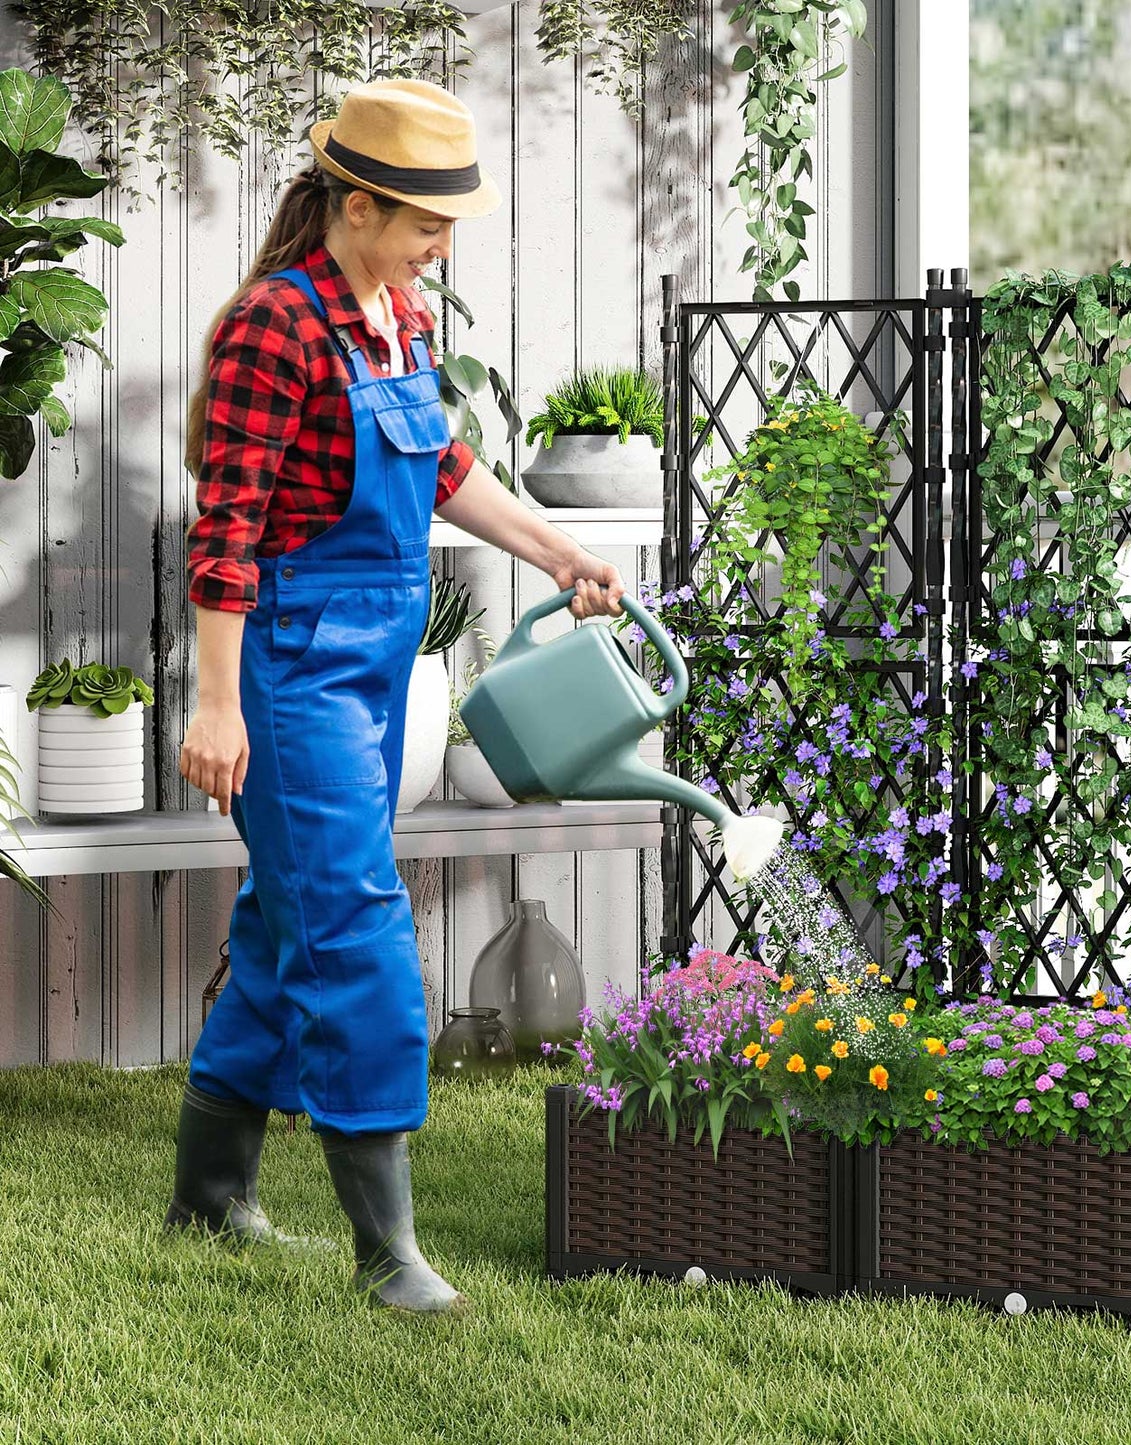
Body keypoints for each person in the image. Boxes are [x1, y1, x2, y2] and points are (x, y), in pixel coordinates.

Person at [168, 78, 623, 1313]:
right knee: (359, 920)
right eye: (428, 220)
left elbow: (444, 469)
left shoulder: (398, 319)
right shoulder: (278, 324)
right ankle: (390, 1249)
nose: (442, 242)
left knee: (287, 917)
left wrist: (555, 550)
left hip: (371, 662)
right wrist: (216, 708)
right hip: (288, 662)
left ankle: (208, 1194)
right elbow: (227, 531)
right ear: (358, 204)